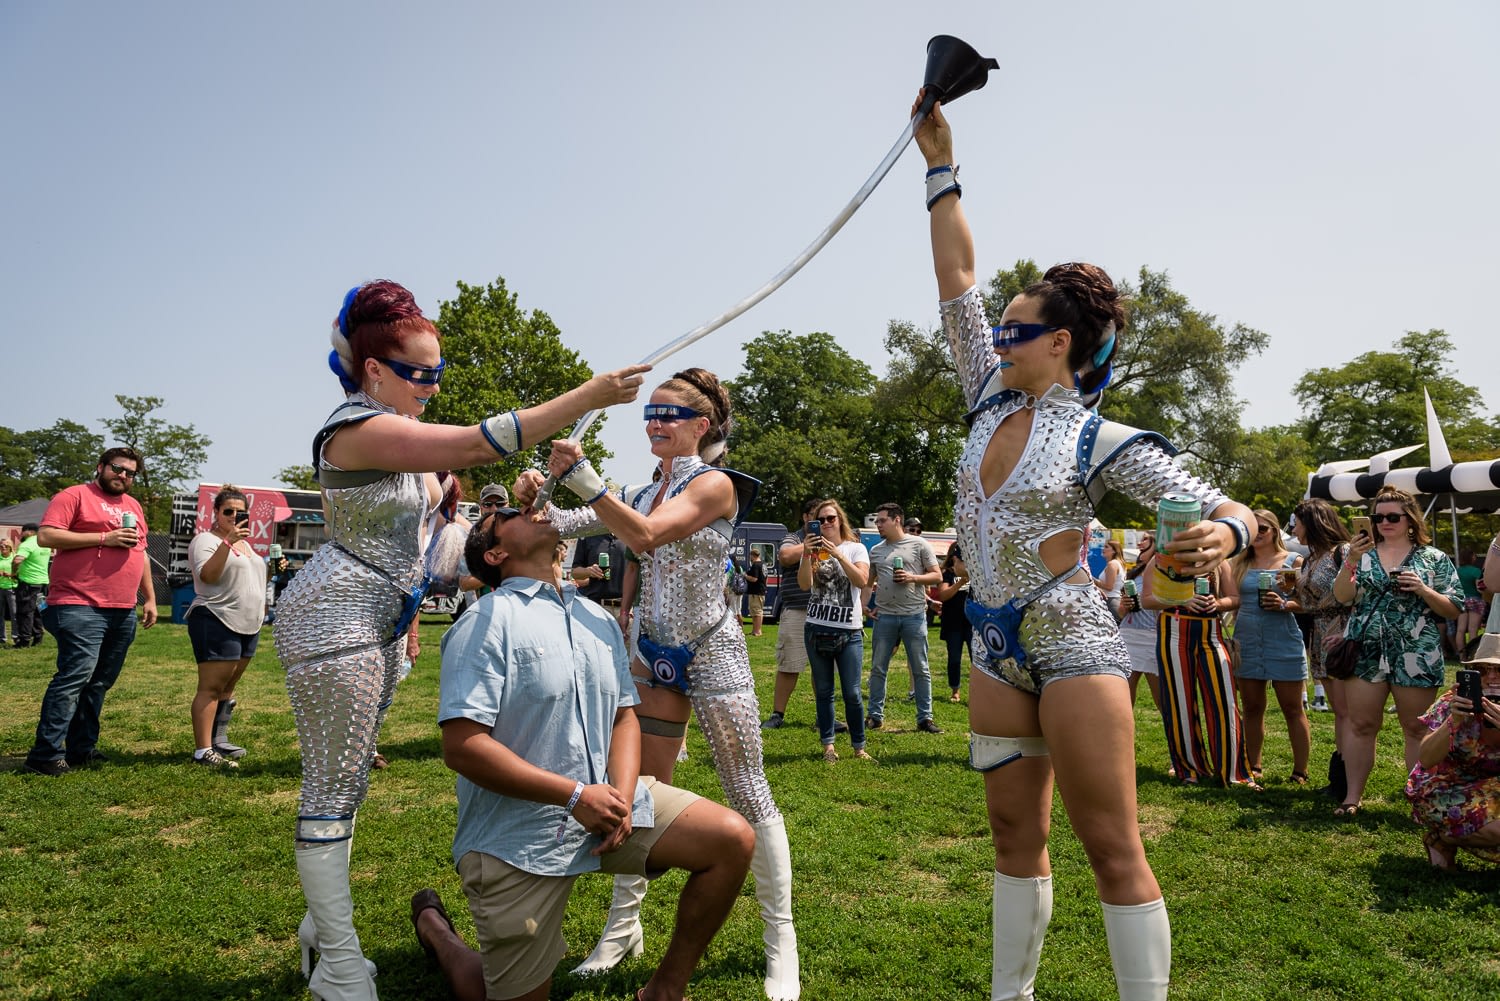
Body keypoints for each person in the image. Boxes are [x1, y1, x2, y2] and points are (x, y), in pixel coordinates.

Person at [916, 91, 1257, 1001]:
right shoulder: (987, 394)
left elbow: (1229, 508)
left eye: (1014, 330)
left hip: (1073, 638)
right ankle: (1008, 994)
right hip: (992, 643)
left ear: (1059, 342)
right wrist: (938, 164)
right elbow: (957, 279)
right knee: (1010, 838)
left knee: (1111, 844)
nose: (995, 335)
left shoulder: (1099, 437)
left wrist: (1223, 530)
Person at [274, 279, 646, 1001]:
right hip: (335, 618)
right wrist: (587, 395)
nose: (431, 387)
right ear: (373, 368)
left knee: (348, 787)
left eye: (437, 373)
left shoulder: (398, 440)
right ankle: (341, 968)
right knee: (331, 788)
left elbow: (443, 550)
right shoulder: (355, 427)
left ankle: (324, 933)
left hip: (376, 622)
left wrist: (521, 512)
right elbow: (480, 441)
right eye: (419, 373)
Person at [526, 366, 800, 1001]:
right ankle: (624, 929)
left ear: (701, 426)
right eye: (649, 412)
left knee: (748, 790)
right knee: (644, 793)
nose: (654, 421)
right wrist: (537, 495)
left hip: (714, 649)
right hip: (651, 655)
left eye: (668, 414)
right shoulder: (642, 490)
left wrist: (582, 478)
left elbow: (646, 536)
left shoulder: (717, 486)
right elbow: (567, 527)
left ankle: (779, 941)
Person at [409, 507, 754, 1001]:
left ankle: (664, 991)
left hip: (610, 804)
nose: (532, 511)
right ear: (496, 553)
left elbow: (623, 716)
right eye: (508, 516)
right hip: (518, 837)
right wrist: (575, 796)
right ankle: (439, 935)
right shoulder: (485, 621)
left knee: (730, 840)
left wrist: (625, 791)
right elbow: (463, 747)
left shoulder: (597, 618)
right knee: (486, 988)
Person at [22, 448, 157, 776]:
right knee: (75, 677)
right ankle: (45, 754)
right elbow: (46, 536)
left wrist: (149, 598)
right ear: (100, 467)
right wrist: (104, 537)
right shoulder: (74, 496)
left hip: (122, 609)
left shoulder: (134, 506)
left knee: (99, 682)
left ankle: (81, 749)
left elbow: (141, 555)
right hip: (79, 603)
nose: (123, 475)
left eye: (130, 472)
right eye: (117, 468)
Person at [1330, 486, 1462, 818]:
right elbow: (1342, 596)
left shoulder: (1433, 558)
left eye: (1393, 517)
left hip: (1416, 651)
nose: (1384, 522)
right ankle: (1352, 798)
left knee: (1417, 728)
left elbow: (1453, 608)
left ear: (1410, 520)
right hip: (1367, 650)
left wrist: (1423, 589)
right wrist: (1352, 559)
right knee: (1361, 725)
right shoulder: (1362, 554)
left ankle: (1421, 801)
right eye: (1378, 517)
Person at [1141, 557, 1256, 789]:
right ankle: (1189, 769)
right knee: (1179, 702)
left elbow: (1234, 598)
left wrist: (1219, 603)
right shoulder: (1161, 559)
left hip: (1211, 633)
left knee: (1225, 700)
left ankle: (1235, 773)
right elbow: (1146, 600)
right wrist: (1181, 598)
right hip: (1173, 631)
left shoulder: (1218, 560)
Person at [186, 485, 268, 768]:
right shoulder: (206, 540)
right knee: (210, 687)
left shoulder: (247, 544)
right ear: (216, 513)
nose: (234, 516)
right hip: (216, 618)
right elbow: (207, 575)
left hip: (248, 623)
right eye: (228, 511)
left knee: (228, 686)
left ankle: (218, 740)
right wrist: (228, 542)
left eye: (240, 512)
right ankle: (202, 751)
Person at [1406, 632, 1500, 870]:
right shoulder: (1454, 702)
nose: (1492, 677)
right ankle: (1444, 837)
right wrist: (1453, 721)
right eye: (1483, 670)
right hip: (1446, 787)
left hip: (1491, 787)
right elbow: (1426, 758)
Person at [1230, 510, 1310, 785]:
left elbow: (1307, 602)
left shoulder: (1292, 561)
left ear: (1275, 530)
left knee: (1292, 708)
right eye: (1252, 530)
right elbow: (1230, 599)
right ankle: (1254, 766)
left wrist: (1285, 604)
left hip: (1283, 638)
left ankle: (1300, 771)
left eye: (1262, 528)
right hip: (1247, 639)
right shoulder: (1239, 562)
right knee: (1252, 707)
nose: (1257, 534)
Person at [800, 498, 874, 763]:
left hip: (849, 632)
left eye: (831, 518)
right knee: (823, 691)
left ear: (840, 520)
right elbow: (804, 585)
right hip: (816, 628)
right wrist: (807, 556)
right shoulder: (811, 550)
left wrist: (838, 554)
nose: (826, 523)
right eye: (820, 520)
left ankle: (859, 746)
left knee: (852, 693)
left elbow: (861, 580)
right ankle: (828, 746)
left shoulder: (855, 549)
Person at [761, 499, 843, 733]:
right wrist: (810, 545)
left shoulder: (835, 539)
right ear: (806, 518)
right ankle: (778, 714)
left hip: (826, 611)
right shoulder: (794, 537)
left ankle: (824, 717)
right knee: (789, 664)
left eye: (828, 518)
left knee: (824, 667)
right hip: (797, 610)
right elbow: (785, 557)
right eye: (816, 517)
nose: (822, 522)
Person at [1289, 499, 1353, 798]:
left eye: (1297, 522)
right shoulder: (1312, 557)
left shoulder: (1344, 551)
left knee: (1345, 712)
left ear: (1312, 522)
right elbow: (1309, 601)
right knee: (1339, 712)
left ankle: (1344, 780)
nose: (1293, 528)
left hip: (1341, 633)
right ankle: (1339, 778)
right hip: (1318, 634)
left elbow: (1356, 595)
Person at [863, 501, 943, 733]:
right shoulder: (876, 550)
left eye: (882, 520)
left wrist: (912, 578)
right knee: (878, 667)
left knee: (921, 668)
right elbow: (868, 583)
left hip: (914, 616)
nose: (878, 525)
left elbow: (936, 575)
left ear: (897, 520)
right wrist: (863, 606)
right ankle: (875, 716)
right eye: (877, 521)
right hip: (885, 617)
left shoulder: (919, 544)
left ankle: (925, 719)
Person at [934, 544, 972, 703]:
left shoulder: (976, 573)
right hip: (953, 623)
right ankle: (955, 690)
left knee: (976, 659)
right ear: (954, 557)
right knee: (954, 659)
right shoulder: (947, 573)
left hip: (972, 623)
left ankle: (977, 691)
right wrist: (961, 582)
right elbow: (942, 595)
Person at [11, 523, 51, 648]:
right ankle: (38, 636)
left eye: (22, 532)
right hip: (43, 582)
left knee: (25, 612)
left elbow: (17, 560)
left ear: (29, 532)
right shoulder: (45, 544)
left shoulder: (27, 543)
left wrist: (14, 571)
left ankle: (24, 640)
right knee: (39, 611)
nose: (21, 534)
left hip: (29, 583)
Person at [1093, 540, 1127, 620]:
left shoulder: (1112, 564)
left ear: (1114, 551)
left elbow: (1109, 586)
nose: (1103, 549)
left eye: (1106, 547)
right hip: (1114, 599)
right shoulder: (1118, 563)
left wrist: (1091, 579)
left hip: (1110, 601)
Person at [744, 548, 767, 636]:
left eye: (750, 556)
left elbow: (754, 579)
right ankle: (755, 630)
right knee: (755, 611)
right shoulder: (763, 564)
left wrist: (745, 576)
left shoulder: (756, 565)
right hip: (760, 591)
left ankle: (757, 631)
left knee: (757, 612)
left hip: (756, 592)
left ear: (752, 555)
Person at [0, 538, 16, 645]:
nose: (3, 547)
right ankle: (2, 638)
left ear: (10, 547)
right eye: (1, 546)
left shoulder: (15, 558)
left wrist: (9, 575)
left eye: (6, 545)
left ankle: (16, 636)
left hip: (12, 588)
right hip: (0, 588)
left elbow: (20, 573)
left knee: (14, 614)